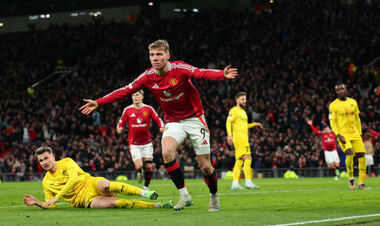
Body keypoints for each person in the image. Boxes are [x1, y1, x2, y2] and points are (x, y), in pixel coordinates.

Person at [79, 39, 238, 211]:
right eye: (152, 55)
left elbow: (201, 73)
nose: (155, 58)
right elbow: (125, 90)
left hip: (194, 118)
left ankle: (214, 196)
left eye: (159, 54)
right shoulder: (147, 76)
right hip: (173, 121)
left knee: (206, 167)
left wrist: (221, 74)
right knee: (166, 153)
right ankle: (184, 195)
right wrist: (99, 102)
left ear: (168, 56)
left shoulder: (180, 69)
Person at [24, 146, 173, 209]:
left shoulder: (67, 162)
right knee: (116, 203)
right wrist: (38, 202)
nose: (44, 162)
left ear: (53, 156)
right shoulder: (46, 182)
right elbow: (52, 205)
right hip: (84, 200)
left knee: (106, 185)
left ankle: (144, 193)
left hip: (90, 184)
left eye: (46, 158)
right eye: (41, 161)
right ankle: (157, 205)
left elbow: (74, 180)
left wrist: (58, 196)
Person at [117, 90, 165, 190]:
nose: (135, 97)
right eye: (133, 95)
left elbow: (158, 119)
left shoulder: (148, 108)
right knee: (139, 166)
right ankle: (139, 171)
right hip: (134, 144)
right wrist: (119, 128)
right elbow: (121, 122)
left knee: (148, 167)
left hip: (147, 143)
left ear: (142, 97)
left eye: (137, 95)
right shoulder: (128, 110)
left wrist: (161, 126)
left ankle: (146, 187)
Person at [328, 83, 368, 189]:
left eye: (342, 89)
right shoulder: (333, 105)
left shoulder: (353, 102)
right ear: (336, 92)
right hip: (343, 134)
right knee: (349, 153)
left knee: (361, 156)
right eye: (338, 90)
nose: (341, 91)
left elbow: (357, 118)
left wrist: (359, 133)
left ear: (346, 90)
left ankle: (361, 183)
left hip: (355, 133)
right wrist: (337, 135)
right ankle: (351, 180)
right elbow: (332, 122)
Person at [226, 92, 262, 190]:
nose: (244, 101)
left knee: (239, 161)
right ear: (237, 100)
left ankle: (235, 183)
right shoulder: (234, 110)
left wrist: (255, 124)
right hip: (239, 138)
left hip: (243, 138)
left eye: (245, 99)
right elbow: (228, 122)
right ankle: (248, 181)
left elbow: (245, 126)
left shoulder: (243, 112)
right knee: (248, 158)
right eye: (242, 99)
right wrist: (229, 135)